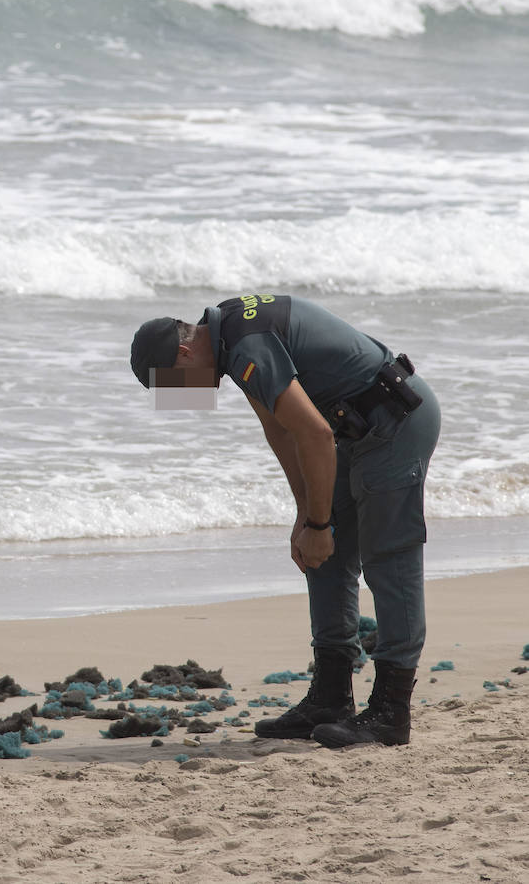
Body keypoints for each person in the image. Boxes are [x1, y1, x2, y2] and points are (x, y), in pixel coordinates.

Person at [130, 293, 440, 748]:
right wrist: (307, 517)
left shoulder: (245, 345)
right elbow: (280, 428)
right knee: (322, 552)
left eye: (174, 387)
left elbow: (313, 432)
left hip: (395, 423)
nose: (184, 399)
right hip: (355, 429)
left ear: (183, 353)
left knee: (388, 560)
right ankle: (331, 698)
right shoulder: (228, 336)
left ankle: (391, 712)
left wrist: (318, 525)